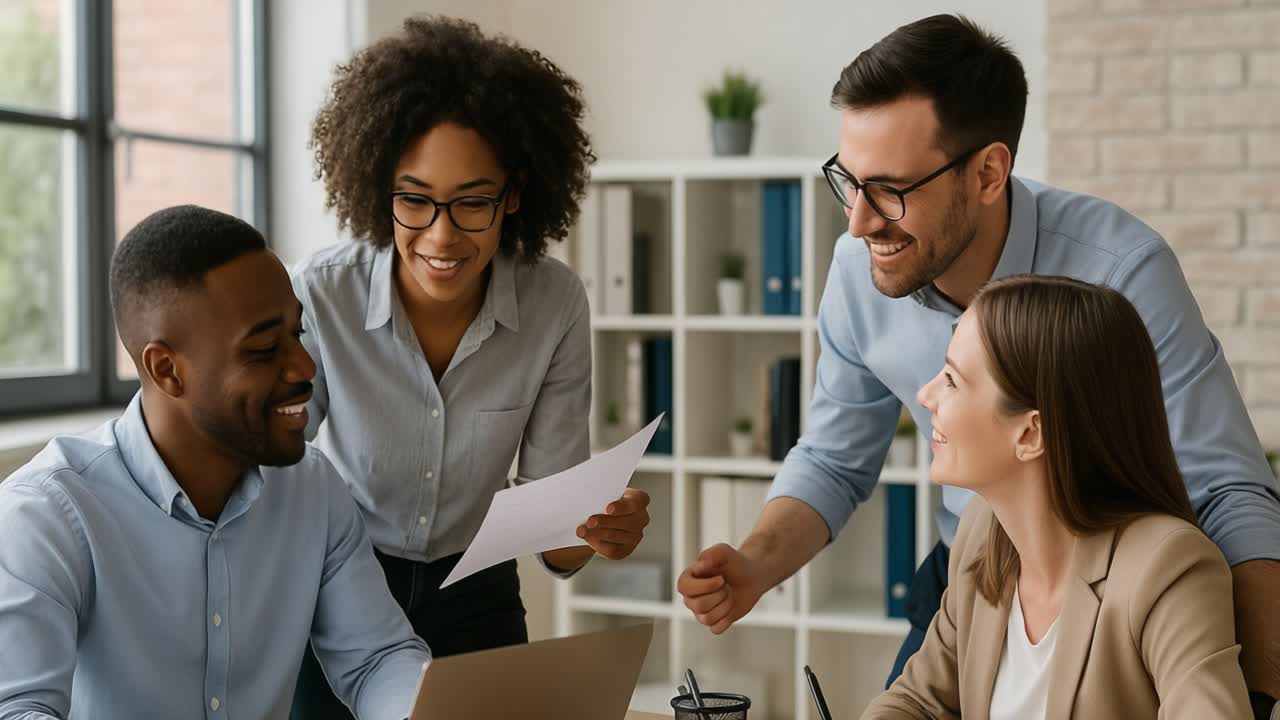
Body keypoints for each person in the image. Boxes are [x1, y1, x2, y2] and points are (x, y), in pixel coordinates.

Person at [676, 13, 1280, 715]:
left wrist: (1260, 689)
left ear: (989, 172)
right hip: (976, 571)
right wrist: (755, 565)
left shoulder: (1124, 273)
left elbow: (1228, 490)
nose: (859, 223)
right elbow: (835, 457)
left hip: (1118, 594)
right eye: (849, 181)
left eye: (891, 190)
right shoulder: (858, 266)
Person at [289, 16, 651, 717]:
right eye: (415, 199)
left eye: (472, 203)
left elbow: (555, 537)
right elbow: (266, 474)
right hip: (339, 586)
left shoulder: (554, 304)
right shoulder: (320, 295)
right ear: (378, 187)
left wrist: (594, 531)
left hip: (476, 591)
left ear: (513, 195)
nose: (442, 235)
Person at [0, 205, 430, 720]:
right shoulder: (46, 515)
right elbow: (18, 709)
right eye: (266, 348)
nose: (304, 366)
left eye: (297, 334)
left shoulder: (313, 487)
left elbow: (377, 659)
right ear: (167, 370)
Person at [860, 274, 1251, 718]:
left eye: (951, 380)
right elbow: (918, 701)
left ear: (1030, 433)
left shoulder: (1166, 569)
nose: (925, 396)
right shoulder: (981, 533)